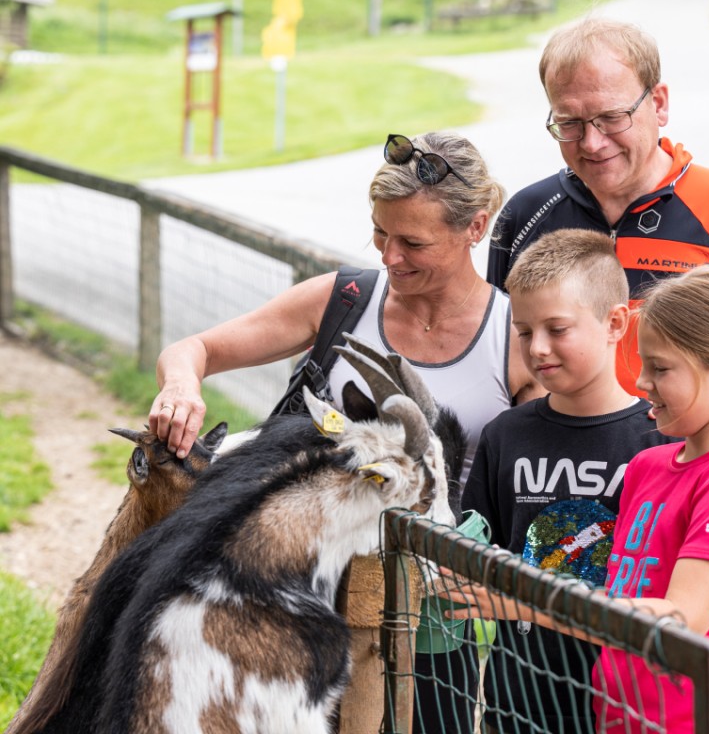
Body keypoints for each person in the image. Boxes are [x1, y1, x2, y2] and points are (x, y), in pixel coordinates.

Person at [148, 130, 540, 734]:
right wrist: (180, 386)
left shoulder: (516, 339)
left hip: (429, 628)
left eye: (413, 242)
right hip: (293, 605)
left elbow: (526, 486)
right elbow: (192, 349)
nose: (390, 257)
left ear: (476, 226)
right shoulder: (344, 300)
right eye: (380, 235)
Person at [486, 15, 709, 637]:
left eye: (610, 118)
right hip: (557, 519)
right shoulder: (525, 214)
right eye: (568, 123)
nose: (591, 142)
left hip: (702, 523)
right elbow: (506, 357)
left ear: (658, 103)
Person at [455, 265, 709, 734]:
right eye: (643, 364)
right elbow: (615, 605)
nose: (641, 382)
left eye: (660, 368)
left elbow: (680, 621)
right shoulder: (648, 466)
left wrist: (525, 599)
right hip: (614, 715)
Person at [461, 228, 676, 733]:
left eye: (557, 329)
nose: (537, 348)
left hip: (626, 696)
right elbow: (479, 549)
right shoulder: (505, 435)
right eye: (523, 331)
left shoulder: (662, 442)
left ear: (615, 323)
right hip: (519, 694)